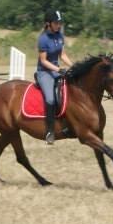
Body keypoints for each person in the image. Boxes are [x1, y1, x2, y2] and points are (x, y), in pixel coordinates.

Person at [36, 9, 73, 144]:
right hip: (44, 72)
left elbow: (62, 55)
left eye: (60, 22)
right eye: (57, 23)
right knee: (51, 100)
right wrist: (59, 69)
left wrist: (73, 66)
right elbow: (44, 61)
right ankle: (50, 131)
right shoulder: (43, 39)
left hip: (57, 71)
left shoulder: (59, 36)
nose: (59, 25)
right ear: (48, 23)